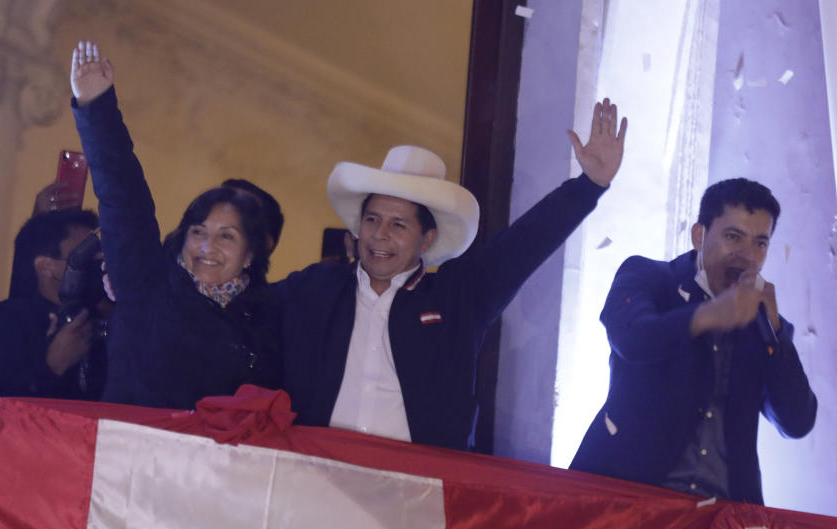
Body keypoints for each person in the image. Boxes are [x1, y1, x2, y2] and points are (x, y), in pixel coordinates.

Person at [272, 100, 627, 450]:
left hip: (418, 492)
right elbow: (247, 310)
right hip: (314, 477)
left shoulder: (458, 298)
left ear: (426, 239)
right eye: (372, 220)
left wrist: (588, 186)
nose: (380, 235)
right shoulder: (316, 287)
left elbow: (524, 245)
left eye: (398, 224)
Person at [570, 178, 817, 504]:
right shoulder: (648, 277)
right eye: (733, 237)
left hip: (724, 523)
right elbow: (631, 337)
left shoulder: (765, 325)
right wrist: (708, 315)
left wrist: (775, 333)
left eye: (760, 243)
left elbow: (797, 422)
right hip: (630, 502)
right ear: (699, 235)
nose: (747, 256)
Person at [69, 41, 280, 409]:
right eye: (198, 231)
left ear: (250, 255)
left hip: (212, 466)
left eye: (226, 236)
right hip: (129, 457)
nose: (206, 247)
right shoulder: (146, 284)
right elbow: (124, 199)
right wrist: (96, 108)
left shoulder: (264, 321)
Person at [0, 209, 106, 399]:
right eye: (88, 255)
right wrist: (53, 366)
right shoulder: (11, 320)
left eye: (101, 254)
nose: (99, 262)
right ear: (46, 267)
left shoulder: (104, 318)